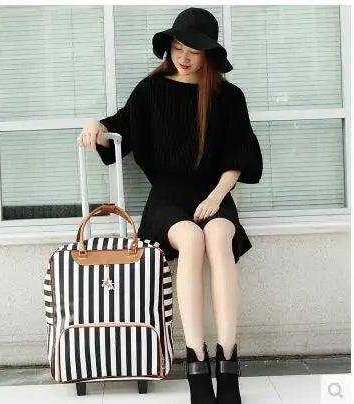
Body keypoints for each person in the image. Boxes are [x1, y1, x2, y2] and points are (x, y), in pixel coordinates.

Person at [77, 7, 262, 404]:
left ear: (208, 54)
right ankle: (196, 360)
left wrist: (216, 197)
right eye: (178, 48)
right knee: (191, 240)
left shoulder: (229, 97)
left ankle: (228, 359)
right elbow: (121, 126)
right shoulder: (152, 90)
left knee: (218, 236)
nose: (184, 57)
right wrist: (97, 125)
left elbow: (241, 154)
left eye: (193, 51)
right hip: (166, 196)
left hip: (215, 193)